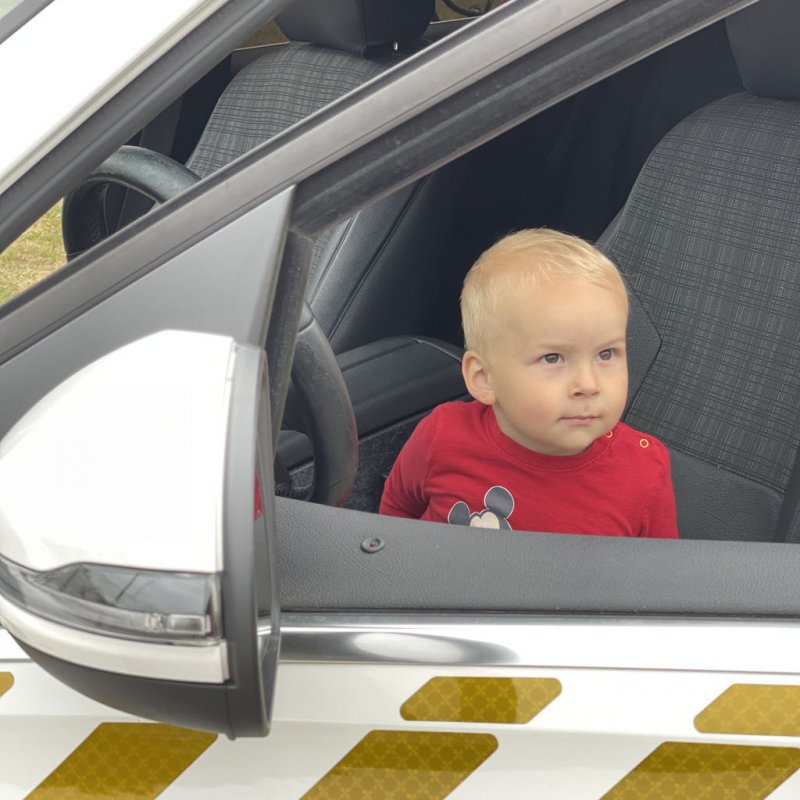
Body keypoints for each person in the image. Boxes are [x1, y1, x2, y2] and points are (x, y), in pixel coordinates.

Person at [380, 228, 678, 538]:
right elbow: (394, 516)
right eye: (553, 358)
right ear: (484, 378)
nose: (589, 385)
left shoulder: (645, 471)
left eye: (606, 354)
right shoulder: (443, 436)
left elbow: (662, 566)